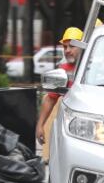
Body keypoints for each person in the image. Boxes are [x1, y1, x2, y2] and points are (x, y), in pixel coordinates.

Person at [36, 27, 84, 162]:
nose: (67, 50)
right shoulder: (62, 70)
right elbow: (50, 99)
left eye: (72, 46)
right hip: (69, 126)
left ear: (83, 46)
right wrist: (40, 126)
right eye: (65, 47)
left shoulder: (95, 67)